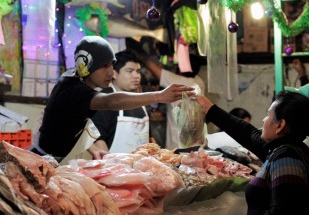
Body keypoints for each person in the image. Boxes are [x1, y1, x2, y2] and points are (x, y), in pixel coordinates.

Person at [31, 36, 194, 161]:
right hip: (40, 159)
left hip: (52, 160)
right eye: (104, 66)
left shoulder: (76, 80)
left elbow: (78, 121)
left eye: (111, 65)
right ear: (86, 65)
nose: (110, 72)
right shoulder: (75, 90)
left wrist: (94, 149)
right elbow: (110, 101)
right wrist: (159, 96)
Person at [196, 90, 309, 214]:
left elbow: (284, 212)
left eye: (268, 115)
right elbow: (248, 134)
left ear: (280, 125)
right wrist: (211, 110)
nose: (264, 120)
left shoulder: (286, 159)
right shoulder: (285, 148)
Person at [91, 50, 155, 153]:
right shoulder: (105, 100)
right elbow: (97, 139)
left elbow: (149, 137)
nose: (136, 76)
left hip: (143, 166)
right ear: (114, 74)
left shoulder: (140, 100)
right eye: (130, 71)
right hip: (114, 166)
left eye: (138, 71)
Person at [141, 53, 205, 150]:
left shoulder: (177, 82)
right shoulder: (199, 82)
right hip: (197, 142)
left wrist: (139, 52)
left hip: (177, 143)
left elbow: (152, 67)